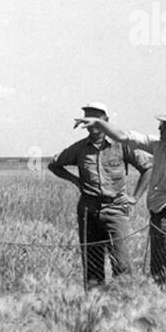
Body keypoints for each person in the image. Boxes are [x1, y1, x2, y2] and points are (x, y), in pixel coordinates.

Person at [79, 109, 166, 290]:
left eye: (165, 125)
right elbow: (124, 137)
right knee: (160, 274)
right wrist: (99, 124)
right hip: (160, 218)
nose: (159, 128)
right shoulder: (159, 145)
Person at [48, 102, 151, 288]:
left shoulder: (121, 145)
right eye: (87, 118)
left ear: (106, 121)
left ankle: (125, 307)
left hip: (115, 210)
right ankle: (95, 309)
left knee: (121, 264)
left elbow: (147, 168)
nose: (91, 123)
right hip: (88, 210)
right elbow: (54, 165)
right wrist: (76, 181)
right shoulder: (79, 148)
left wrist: (134, 197)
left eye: (96, 118)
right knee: (93, 265)